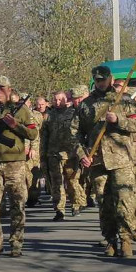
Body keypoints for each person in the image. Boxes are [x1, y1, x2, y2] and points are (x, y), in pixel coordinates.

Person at [74, 65, 136, 257]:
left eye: (103, 79)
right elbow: (75, 133)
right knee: (104, 203)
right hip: (97, 160)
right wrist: (82, 155)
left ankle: (125, 239)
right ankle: (110, 239)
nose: (100, 83)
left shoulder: (123, 100)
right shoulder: (85, 105)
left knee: (124, 200)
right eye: (97, 80)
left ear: (111, 79)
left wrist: (118, 119)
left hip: (121, 158)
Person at [0, 76, 39, 258]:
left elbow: (33, 133)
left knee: (17, 204)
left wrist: (16, 125)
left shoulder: (21, 110)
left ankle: (16, 243)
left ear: (10, 89)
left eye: (2, 88)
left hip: (16, 163)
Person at [40, 89, 84, 221]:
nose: (58, 102)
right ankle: (60, 209)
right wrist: (43, 155)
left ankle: (77, 203)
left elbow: (79, 134)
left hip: (70, 154)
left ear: (66, 100)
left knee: (72, 181)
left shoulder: (73, 114)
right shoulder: (49, 116)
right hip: (53, 154)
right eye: (56, 100)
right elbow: (44, 136)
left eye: (61, 99)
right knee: (56, 183)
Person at [26, 96, 48, 207]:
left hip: (34, 148)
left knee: (34, 174)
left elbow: (41, 132)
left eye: (26, 102)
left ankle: (33, 197)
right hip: (19, 150)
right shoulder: (14, 114)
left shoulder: (36, 115)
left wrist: (35, 147)